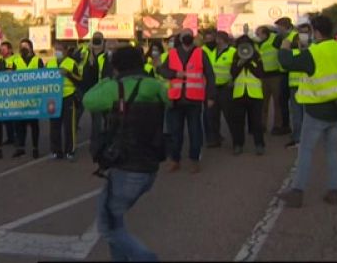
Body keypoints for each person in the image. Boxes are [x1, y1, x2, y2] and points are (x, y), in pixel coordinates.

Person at [83, 46, 167, 262]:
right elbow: (170, 101)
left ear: (116, 66)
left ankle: (147, 259)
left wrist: (106, 80)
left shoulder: (114, 88)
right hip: (150, 165)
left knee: (108, 226)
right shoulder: (154, 85)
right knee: (116, 221)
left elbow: (88, 100)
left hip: (125, 167)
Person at [277, 15, 337, 208]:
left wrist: (285, 45)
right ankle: (333, 191)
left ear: (316, 32)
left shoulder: (314, 52)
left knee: (305, 151)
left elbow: (286, 62)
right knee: (332, 151)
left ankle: (297, 191)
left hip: (317, 109)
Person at [159, 28, 216, 173]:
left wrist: (210, 96)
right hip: (175, 99)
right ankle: (175, 160)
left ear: (193, 37)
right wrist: (174, 74)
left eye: (189, 35)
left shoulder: (200, 53)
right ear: (180, 38)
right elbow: (162, 70)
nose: (187, 37)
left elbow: (210, 75)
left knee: (195, 131)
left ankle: (194, 160)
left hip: (194, 100)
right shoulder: (173, 53)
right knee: (175, 132)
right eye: (184, 35)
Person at [230, 33, 266, 155]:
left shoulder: (256, 55)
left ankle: (259, 144)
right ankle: (238, 144)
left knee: (257, 122)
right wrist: (240, 63)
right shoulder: (236, 55)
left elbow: (260, 73)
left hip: (255, 94)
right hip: (239, 93)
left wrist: (249, 62)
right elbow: (233, 73)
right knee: (238, 122)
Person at [47, 41, 81, 161]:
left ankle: (70, 151)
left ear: (66, 50)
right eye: (56, 49)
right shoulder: (50, 63)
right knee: (54, 125)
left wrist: (68, 74)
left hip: (68, 96)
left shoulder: (72, 63)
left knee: (69, 126)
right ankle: (56, 151)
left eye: (60, 49)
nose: (57, 52)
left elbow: (80, 79)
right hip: (53, 97)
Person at [12, 38, 44, 158]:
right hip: (19, 97)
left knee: (34, 124)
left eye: (25, 46)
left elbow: (43, 76)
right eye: (21, 46)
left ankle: (35, 148)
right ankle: (21, 147)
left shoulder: (37, 60)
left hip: (33, 97)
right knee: (19, 124)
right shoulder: (16, 61)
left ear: (31, 47)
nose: (23, 48)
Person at [204, 31, 235, 148]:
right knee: (212, 115)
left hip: (226, 88)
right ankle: (215, 139)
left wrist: (232, 81)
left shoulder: (232, 52)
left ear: (222, 39)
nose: (214, 41)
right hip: (212, 88)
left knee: (230, 115)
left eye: (216, 39)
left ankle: (236, 140)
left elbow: (236, 68)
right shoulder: (212, 52)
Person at [255, 26, 284, 145]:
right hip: (263, 76)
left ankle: (277, 125)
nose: (257, 35)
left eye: (258, 33)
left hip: (275, 75)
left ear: (264, 33)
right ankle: (262, 124)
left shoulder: (275, 39)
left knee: (277, 102)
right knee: (263, 102)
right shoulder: (257, 43)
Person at [285, 23, 310, 149]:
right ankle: (297, 138)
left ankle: (305, 138)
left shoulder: (313, 50)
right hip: (295, 86)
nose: (303, 35)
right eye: (301, 33)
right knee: (296, 115)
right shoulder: (292, 52)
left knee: (307, 114)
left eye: (306, 33)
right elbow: (285, 64)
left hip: (309, 86)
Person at [272, 17, 295, 136]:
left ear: (285, 26)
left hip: (292, 73)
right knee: (283, 101)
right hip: (283, 73)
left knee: (294, 103)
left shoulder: (294, 36)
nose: (278, 30)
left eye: (279, 27)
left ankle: (294, 128)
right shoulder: (281, 37)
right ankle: (285, 125)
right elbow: (275, 45)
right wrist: (280, 36)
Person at [0, 41, 17, 145]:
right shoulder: (0, 60)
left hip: (12, 91)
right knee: (6, 117)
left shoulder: (14, 59)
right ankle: (10, 137)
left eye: (4, 49)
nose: (2, 51)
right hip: (3, 92)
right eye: (1, 49)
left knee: (13, 116)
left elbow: (9, 72)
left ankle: (16, 137)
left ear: (10, 50)